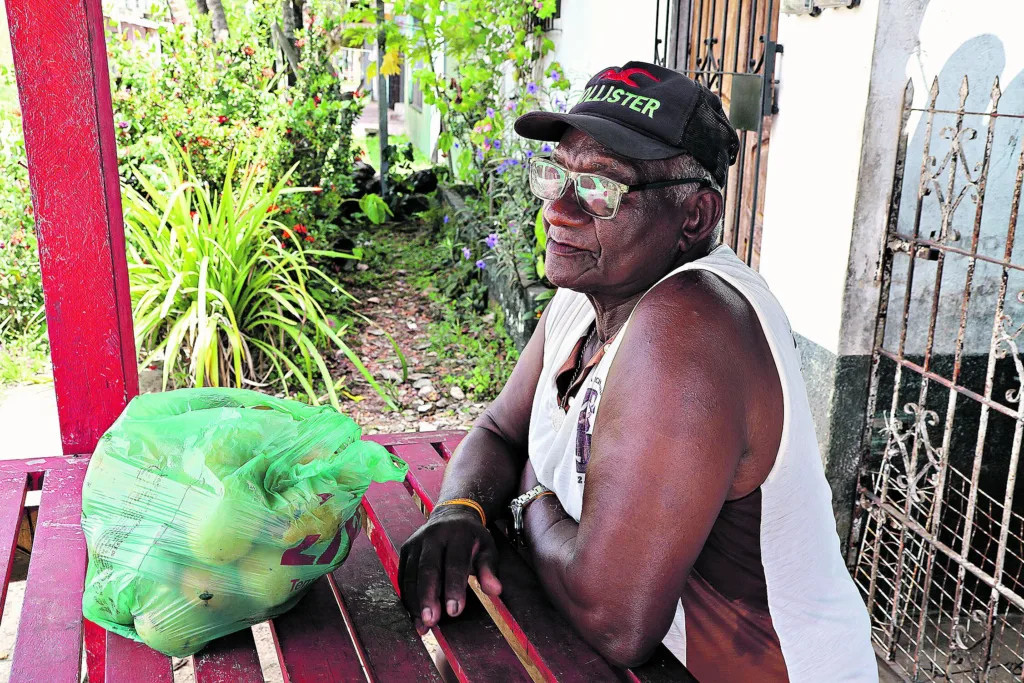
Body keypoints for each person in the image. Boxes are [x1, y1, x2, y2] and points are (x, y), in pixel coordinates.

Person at [399, 61, 877, 682]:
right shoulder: (588, 290)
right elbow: (496, 430)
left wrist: (526, 499)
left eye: (601, 190)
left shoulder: (693, 321)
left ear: (695, 218)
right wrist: (460, 507)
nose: (561, 212)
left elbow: (613, 619)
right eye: (555, 175)